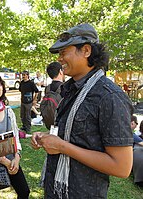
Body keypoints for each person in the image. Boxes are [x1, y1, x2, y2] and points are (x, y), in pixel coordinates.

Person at [31, 23, 133, 199]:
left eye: (64, 52)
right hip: (55, 190)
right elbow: (77, 136)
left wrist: (63, 146)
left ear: (86, 51)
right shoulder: (70, 90)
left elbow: (121, 167)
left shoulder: (109, 97)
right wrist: (48, 137)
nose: (60, 59)